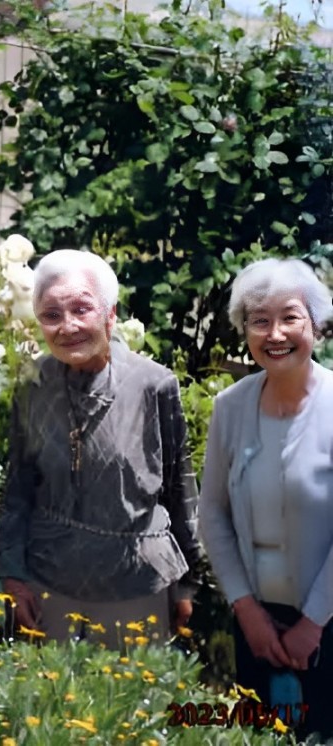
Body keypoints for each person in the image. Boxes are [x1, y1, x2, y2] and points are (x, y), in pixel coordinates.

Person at [0, 249, 201, 644]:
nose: (67, 326)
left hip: (136, 581)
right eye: (51, 315)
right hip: (49, 579)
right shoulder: (34, 383)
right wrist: (13, 576)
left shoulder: (154, 384)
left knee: (131, 685)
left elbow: (181, 490)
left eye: (81, 309)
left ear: (110, 314)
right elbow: (18, 489)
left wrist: (188, 583)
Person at [199, 258, 333, 739]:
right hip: (255, 624)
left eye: (289, 317)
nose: (275, 334)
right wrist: (246, 609)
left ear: (315, 324)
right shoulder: (230, 407)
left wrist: (313, 623)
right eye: (260, 321)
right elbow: (212, 513)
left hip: (327, 624)